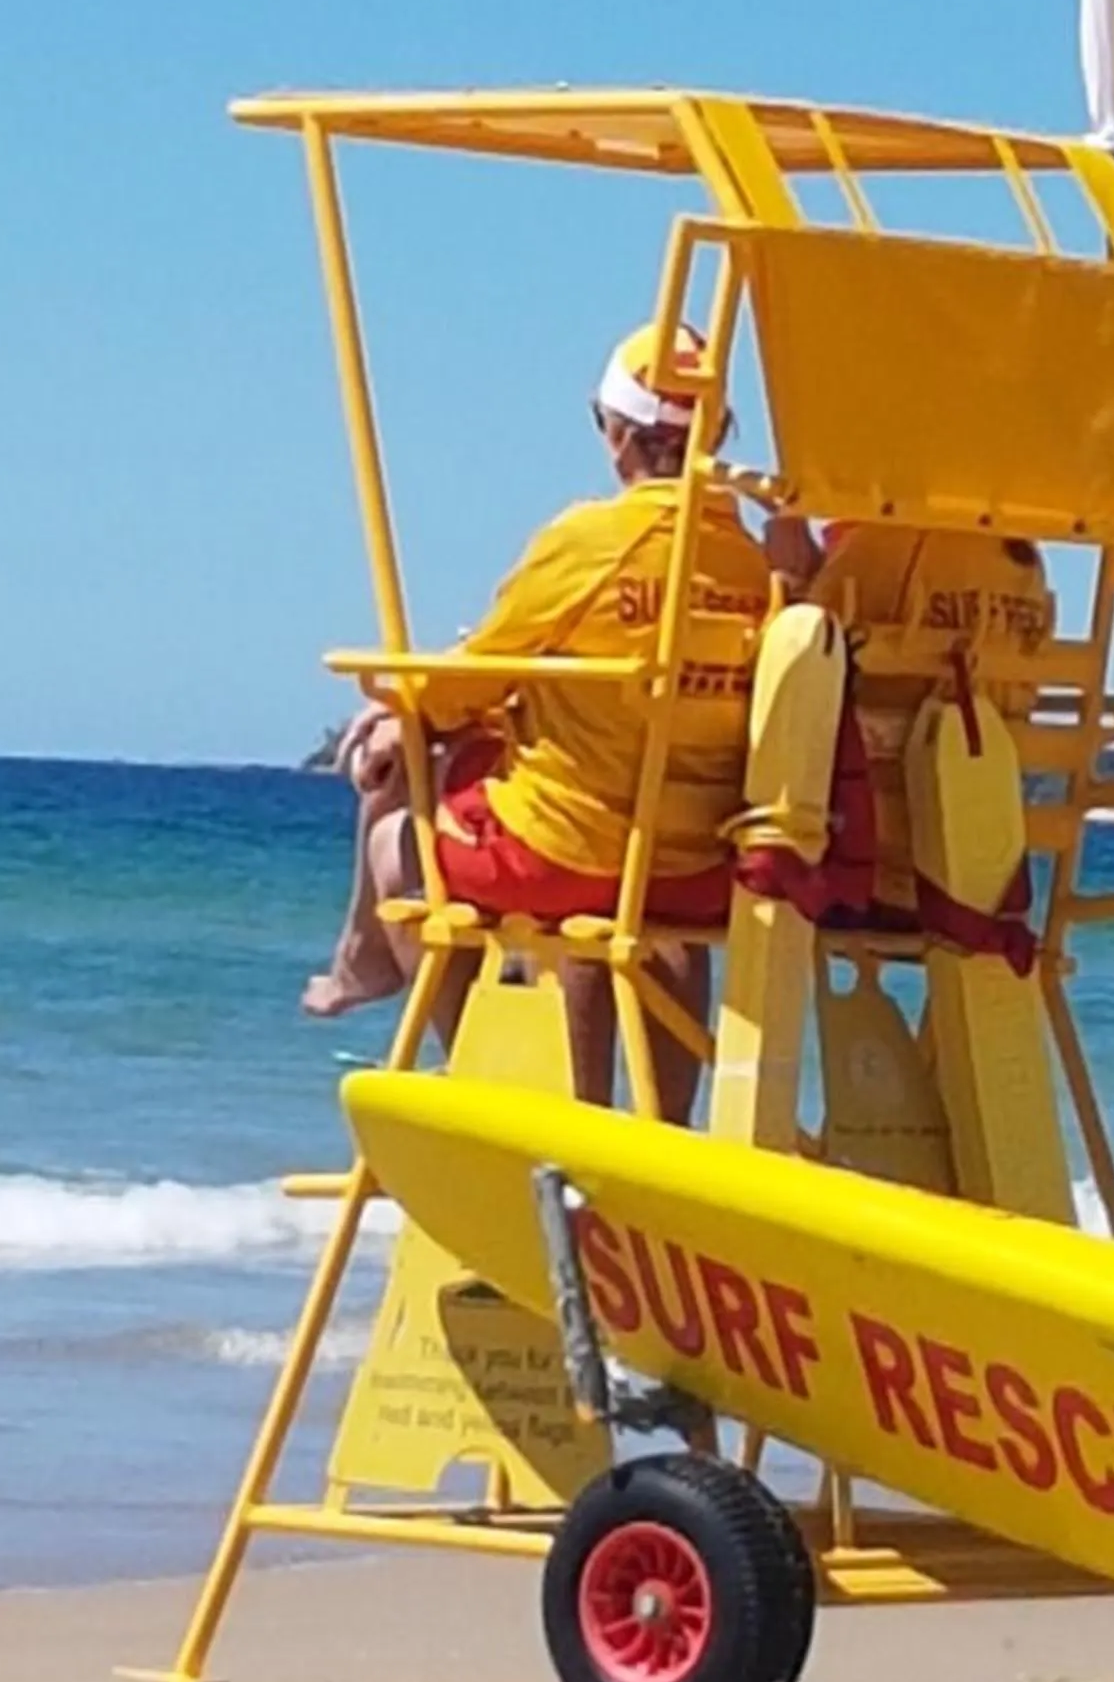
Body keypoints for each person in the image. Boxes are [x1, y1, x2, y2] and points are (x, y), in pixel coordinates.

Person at [303, 322, 769, 1121]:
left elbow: (468, 680)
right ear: (714, 435)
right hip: (699, 868)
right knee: (649, 900)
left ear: (619, 436)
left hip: (573, 853)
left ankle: (475, 1074)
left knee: (396, 842)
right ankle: (667, 1128)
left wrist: (395, 710)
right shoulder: (750, 561)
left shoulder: (589, 541)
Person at [769, 519, 1053, 921]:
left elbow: (797, 652)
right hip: (987, 889)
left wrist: (792, 575)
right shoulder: (1022, 560)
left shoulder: (885, 546)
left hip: (879, 883)